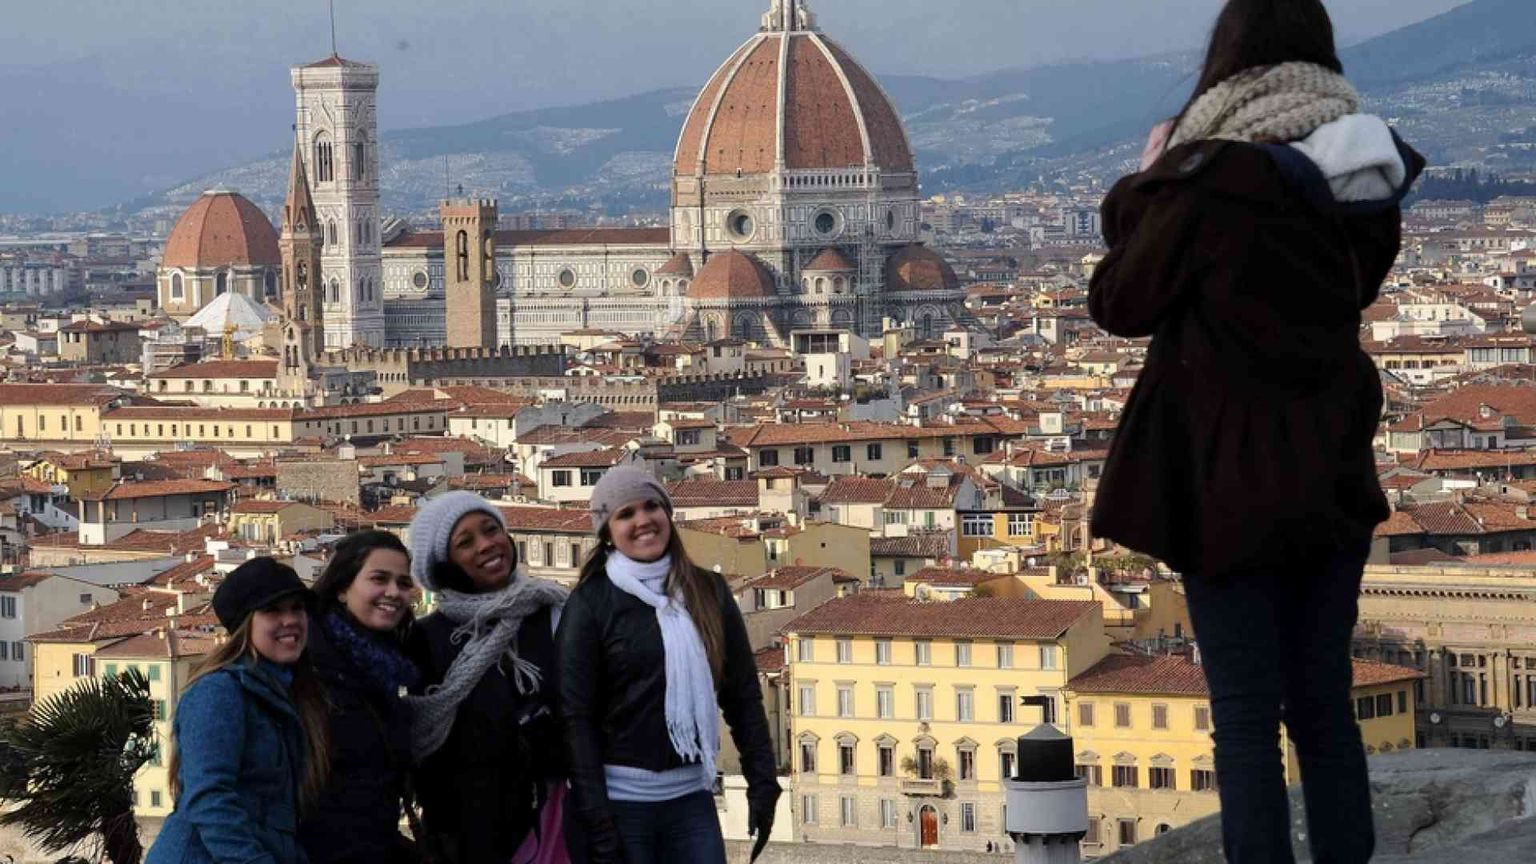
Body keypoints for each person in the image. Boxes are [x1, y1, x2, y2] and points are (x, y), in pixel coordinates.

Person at [1087, 1, 1425, 862]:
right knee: (1322, 703)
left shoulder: (1209, 183)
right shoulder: (1363, 173)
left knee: (1244, 718)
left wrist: (1149, 180)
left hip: (1226, 481)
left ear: (1227, 60)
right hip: (1333, 473)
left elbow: (1120, 302)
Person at [558, 467, 780, 864]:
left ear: (668, 514)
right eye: (626, 514)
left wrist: (762, 783)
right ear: (607, 531)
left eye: (652, 506)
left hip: (692, 800)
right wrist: (598, 822)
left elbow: (742, 694)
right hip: (620, 805)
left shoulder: (708, 592)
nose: (643, 520)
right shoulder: (590, 604)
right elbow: (576, 718)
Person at [404, 491, 569, 864]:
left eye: (491, 530)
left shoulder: (556, 613)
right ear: (443, 566)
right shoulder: (425, 639)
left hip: (554, 821)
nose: (486, 544)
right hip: (467, 834)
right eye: (466, 541)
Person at [147, 557, 329, 864]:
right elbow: (209, 798)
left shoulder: (291, 692)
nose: (290, 620)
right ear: (245, 624)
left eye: (297, 608)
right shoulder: (218, 691)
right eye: (273, 611)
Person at [299, 530, 420, 864]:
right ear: (341, 588)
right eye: (379, 579)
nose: (394, 592)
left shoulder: (386, 668)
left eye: (403, 583)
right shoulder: (311, 668)